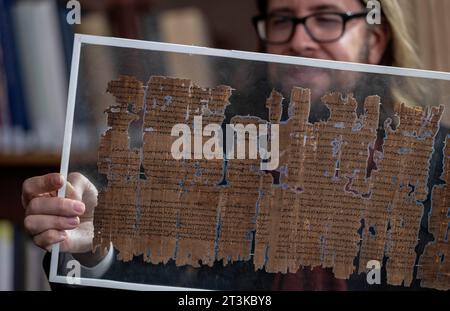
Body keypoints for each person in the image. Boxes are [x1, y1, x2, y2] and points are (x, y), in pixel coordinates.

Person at [21, 0, 427, 290]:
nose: (300, 41)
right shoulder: (212, 152)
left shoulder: (436, 167)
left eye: (326, 19)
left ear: (374, 40)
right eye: (282, 19)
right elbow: (156, 277)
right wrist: (97, 248)